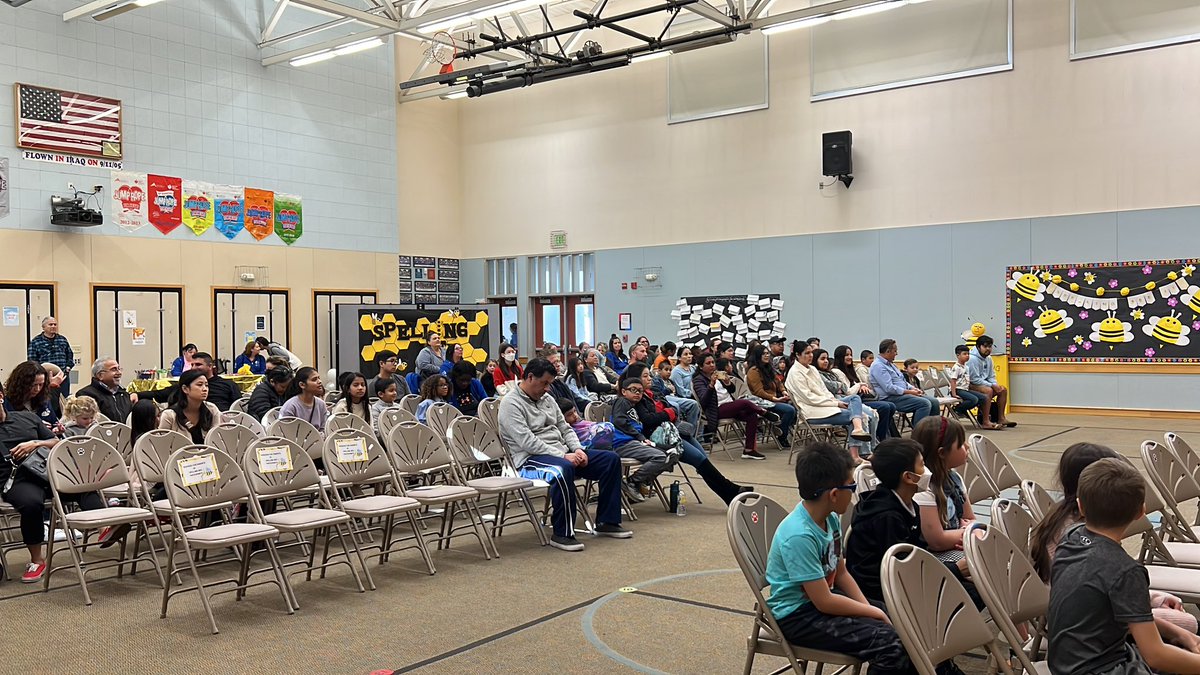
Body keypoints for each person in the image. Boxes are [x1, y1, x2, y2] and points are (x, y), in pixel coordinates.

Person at [765, 442, 913, 673]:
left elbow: (841, 573)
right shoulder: (799, 535)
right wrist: (873, 612)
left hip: (821, 603)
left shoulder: (830, 517)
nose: (854, 492)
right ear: (834, 494)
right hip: (796, 616)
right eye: (851, 486)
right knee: (891, 643)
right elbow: (824, 601)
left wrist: (866, 607)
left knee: (906, 619)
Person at [1031, 443, 1199, 644]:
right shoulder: (1084, 540)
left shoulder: (1068, 523)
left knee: (1179, 619)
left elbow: (1105, 590)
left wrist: (1154, 599)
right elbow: (1100, 603)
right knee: (1188, 625)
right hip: (1088, 630)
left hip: (1082, 625)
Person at [497, 358, 632, 551]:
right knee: (562, 469)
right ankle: (562, 533)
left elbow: (566, 428)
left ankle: (607, 522)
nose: (547, 388)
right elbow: (527, 442)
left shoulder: (547, 399)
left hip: (560, 453)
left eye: (550, 384)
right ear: (529, 377)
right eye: (544, 383)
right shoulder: (510, 404)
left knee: (610, 460)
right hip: (528, 460)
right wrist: (563, 455)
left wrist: (578, 449)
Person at [0, 381, 102, 583]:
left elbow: (56, 441)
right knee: (31, 504)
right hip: (16, 480)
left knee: (80, 481)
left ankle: (104, 527)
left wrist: (35, 443)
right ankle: (37, 560)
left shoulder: (26, 418)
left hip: (45, 470)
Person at [785, 343, 875, 462]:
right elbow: (810, 399)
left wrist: (835, 401)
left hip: (827, 404)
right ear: (797, 355)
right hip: (812, 411)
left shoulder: (812, 369)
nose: (810, 355)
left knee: (854, 398)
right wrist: (836, 404)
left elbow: (824, 391)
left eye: (811, 352)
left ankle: (858, 430)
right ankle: (856, 455)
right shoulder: (795, 373)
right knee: (857, 416)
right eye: (807, 353)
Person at [911, 417, 973, 562]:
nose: (968, 446)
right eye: (961, 443)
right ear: (942, 453)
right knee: (983, 562)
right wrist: (970, 532)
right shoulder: (923, 488)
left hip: (958, 542)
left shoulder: (954, 478)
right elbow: (937, 541)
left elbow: (970, 518)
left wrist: (970, 530)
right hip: (931, 556)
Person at [693, 353, 777, 461]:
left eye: (713, 362)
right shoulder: (699, 380)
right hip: (716, 409)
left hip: (730, 404)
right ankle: (764, 412)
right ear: (701, 366)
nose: (712, 365)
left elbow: (731, 390)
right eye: (708, 363)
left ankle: (749, 450)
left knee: (751, 415)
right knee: (744, 402)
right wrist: (711, 385)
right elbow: (704, 401)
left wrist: (727, 383)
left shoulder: (718, 374)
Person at [610, 376, 676, 503]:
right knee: (660, 457)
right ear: (624, 391)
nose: (637, 393)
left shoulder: (633, 406)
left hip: (634, 442)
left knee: (673, 453)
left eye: (640, 391)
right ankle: (631, 482)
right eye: (633, 390)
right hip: (622, 443)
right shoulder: (622, 401)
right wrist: (639, 436)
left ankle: (640, 482)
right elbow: (619, 421)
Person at [831, 345, 897, 440]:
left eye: (851, 355)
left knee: (891, 406)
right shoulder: (837, 371)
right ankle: (881, 438)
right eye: (846, 355)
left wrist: (861, 386)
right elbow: (848, 392)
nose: (850, 357)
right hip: (851, 402)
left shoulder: (850, 370)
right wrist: (860, 385)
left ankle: (885, 436)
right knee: (885, 407)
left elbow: (864, 387)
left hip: (861, 398)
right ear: (839, 357)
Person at [868, 339, 939, 429]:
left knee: (934, 402)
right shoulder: (878, 366)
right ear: (888, 351)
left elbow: (903, 381)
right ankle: (919, 435)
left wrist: (913, 388)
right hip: (890, 398)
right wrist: (909, 392)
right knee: (924, 404)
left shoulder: (891, 364)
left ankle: (933, 432)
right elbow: (889, 388)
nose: (896, 353)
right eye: (895, 351)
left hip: (902, 395)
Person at [746, 343, 797, 448]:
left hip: (773, 399)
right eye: (763, 354)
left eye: (767, 353)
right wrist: (775, 399)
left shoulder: (768, 368)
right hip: (763, 402)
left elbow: (778, 382)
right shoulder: (753, 371)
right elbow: (758, 391)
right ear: (758, 355)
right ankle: (782, 436)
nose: (767, 355)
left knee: (796, 406)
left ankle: (779, 426)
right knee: (789, 410)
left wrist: (783, 392)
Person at [158, 370, 220, 444]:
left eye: (206, 385)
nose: (205, 389)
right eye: (199, 385)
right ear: (185, 389)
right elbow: (162, 445)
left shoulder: (212, 409)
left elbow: (216, 439)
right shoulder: (170, 415)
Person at [967, 335, 1015, 429]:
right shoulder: (972, 359)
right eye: (985, 347)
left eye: (990, 346)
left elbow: (991, 376)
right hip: (970, 385)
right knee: (988, 391)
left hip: (983, 384)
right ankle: (985, 422)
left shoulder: (988, 358)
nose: (988, 349)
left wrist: (995, 385)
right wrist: (992, 386)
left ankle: (1001, 418)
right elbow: (974, 379)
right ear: (978, 347)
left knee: (1003, 390)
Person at [4, 361, 62, 436]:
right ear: (22, 384)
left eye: (41, 385)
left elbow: (53, 423)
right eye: (33, 385)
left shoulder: (44, 400)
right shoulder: (6, 403)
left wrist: (56, 430)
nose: (37, 389)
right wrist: (36, 426)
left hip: (45, 444)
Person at [76, 357, 136, 423]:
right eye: (114, 369)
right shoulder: (86, 395)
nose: (119, 373)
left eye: (119, 369)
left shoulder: (123, 394)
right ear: (100, 375)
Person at [27, 316, 74, 397]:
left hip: (63, 375)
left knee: (63, 399)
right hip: (46, 377)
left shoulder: (62, 339)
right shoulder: (36, 341)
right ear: (43, 327)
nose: (53, 326)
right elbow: (32, 360)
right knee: (48, 398)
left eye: (55, 324)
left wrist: (68, 367)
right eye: (50, 324)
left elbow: (70, 355)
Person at [651, 358, 701, 431]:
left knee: (694, 404)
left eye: (670, 370)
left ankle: (691, 431)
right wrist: (668, 390)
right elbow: (657, 394)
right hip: (665, 399)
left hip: (675, 398)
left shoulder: (670, 381)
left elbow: (677, 394)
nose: (668, 372)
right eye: (666, 369)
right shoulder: (657, 380)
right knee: (676, 406)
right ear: (659, 371)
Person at [946, 346, 988, 426]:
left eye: (968, 354)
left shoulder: (966, 367)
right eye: (964, 354)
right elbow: (953, 381)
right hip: (957, 389)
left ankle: (963, 409)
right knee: (974, 399)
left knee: (983, 398)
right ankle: (958, 409)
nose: (967, 356)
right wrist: (954, 393)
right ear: (958, 355)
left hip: (965, 389)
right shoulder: (956, 367)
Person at [279, 366, 328, 432]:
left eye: (319, 378)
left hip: (317, 441)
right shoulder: (291, 406)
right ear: (302, 385)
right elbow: (285, 432)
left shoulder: (321, 404)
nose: (319, 381)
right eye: (314, 379)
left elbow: (323, 430)